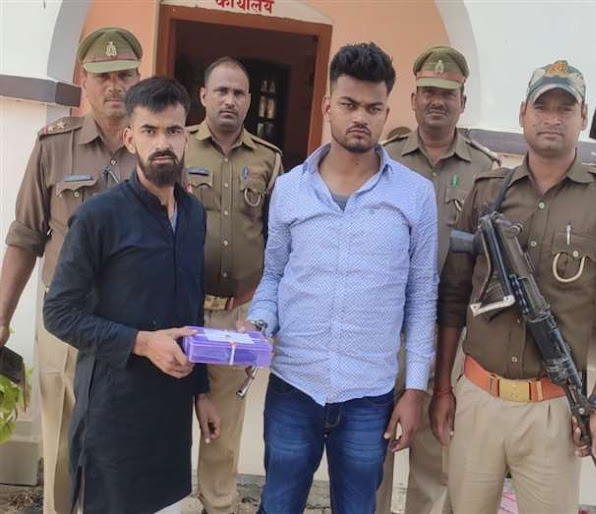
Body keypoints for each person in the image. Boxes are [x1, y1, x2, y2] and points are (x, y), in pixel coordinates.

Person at [431, 60, 596, 514]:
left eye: (565, 108)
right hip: (478, 399)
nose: (552, 118)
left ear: (584, 117)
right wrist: (444, 388)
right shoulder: (488, 191)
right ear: (523, 113)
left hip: (554, 410)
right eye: (542, 106)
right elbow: (454, 294)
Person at [243, 42, 439, 513]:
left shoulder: (415, 195)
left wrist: (414, 390)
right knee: (279, 503)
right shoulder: (289, 189)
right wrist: (260, 322)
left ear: (386, 111)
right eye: (349, 104)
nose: (361, 118)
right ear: (328, 105)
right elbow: (274, 275)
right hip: (294, 384)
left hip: (369, 394)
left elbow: (422, 297)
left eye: (373, 108)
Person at [43, 76, 220, 514]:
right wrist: (142, 342)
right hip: (113, 415)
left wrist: (201, 392)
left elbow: (191, 307)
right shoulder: (99, 216)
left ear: (186, 137)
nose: (162, 143)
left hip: (171, 415)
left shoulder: (193, 215)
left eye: (173, 130)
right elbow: (59, 312)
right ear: (129, 138)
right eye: (149, 130)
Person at [0, 27, 142, 514]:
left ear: (139, 78)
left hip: (132, 324)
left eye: (124, 74)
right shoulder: (53, 145)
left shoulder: (156, 146)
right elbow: (25, 235)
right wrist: (2, 318)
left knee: (121, 441)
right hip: (66, 320)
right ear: (84, 80)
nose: (115, 85)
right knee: (61, 443)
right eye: (103, 75)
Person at [377, 45, 499, 514]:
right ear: (413, 99)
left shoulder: (487, 170)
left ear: (462, 103)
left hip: (449, 334)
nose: (437, 101)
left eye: (448, 94)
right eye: (428, 91)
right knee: (373, 450)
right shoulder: (383, 160)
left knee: (435, 458)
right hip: (385, 330)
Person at [185, 56, 283, 514]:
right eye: (221, 91)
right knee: (168, 416)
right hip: (180, 310)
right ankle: (169, 502)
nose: (230, 100)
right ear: (203, 96)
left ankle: (219, 505)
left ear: (249, 101)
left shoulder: (267, 159)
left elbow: (278, 240)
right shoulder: (180, 147)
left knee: (222, 428)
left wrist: (266, 312)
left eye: (239, 92)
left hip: (235, 316)